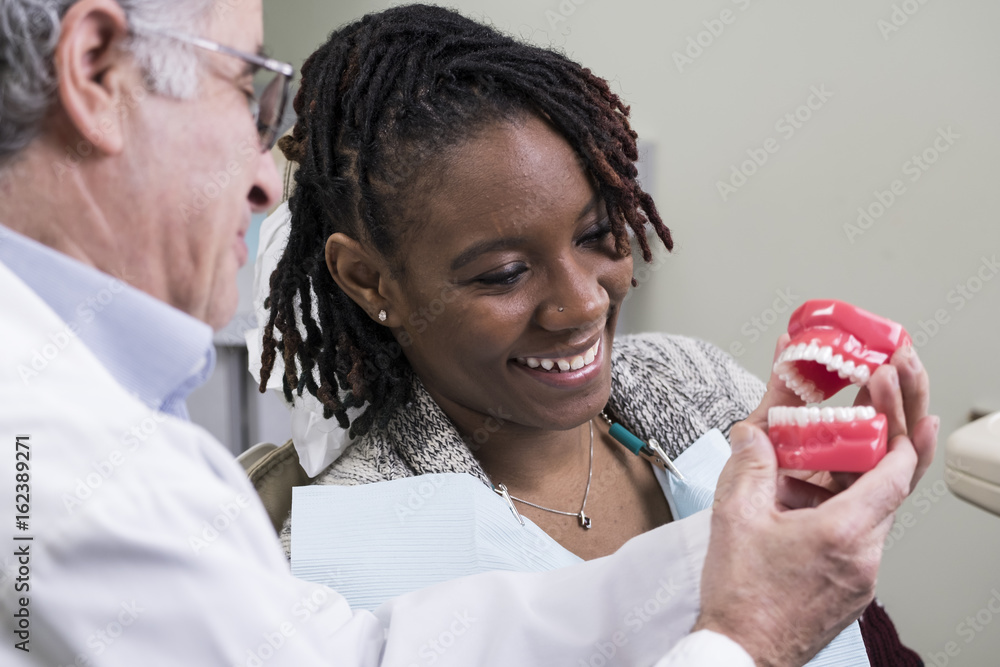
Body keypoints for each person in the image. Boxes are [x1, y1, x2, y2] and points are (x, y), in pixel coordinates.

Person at [0, 1, 935, 666]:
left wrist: (751, 542)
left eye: (598, 235)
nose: (260, 177)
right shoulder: (48, 463)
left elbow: (362, 655)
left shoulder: (687, 384)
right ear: (94, 68)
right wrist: (750, 639)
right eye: (245, 90)